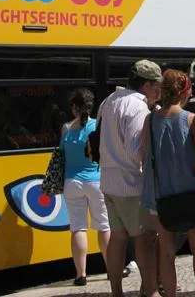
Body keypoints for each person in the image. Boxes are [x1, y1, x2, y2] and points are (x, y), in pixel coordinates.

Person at [142, 69, 195, 297]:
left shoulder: (150, 119)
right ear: (185, 91)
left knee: (167, 253)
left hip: (162, 195)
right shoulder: (190, 119)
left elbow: (145, 154)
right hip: (190, 192)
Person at [98, 59, 163, 297]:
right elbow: (137, 151)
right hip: (132, 183)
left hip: (108, 180)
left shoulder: (109, 100)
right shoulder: (137, 107)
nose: (159, 91)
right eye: (157, 86)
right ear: (146, 85)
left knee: (117, 239)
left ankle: (117, 292)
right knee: (144, 240)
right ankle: (150, 291)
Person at [61, 88, 110, 286]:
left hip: (71, 182)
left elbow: (62, 155)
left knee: (78, 228)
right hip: (96, 181)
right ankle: (111, 269)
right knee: (104, 226)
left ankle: (80, 275)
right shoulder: (97, 126)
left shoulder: (65, 128)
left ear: (74, 108)